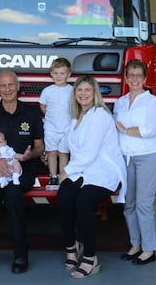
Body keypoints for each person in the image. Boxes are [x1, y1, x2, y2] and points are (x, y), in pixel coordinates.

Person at [57, 74, 126, 278]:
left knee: (83, 203)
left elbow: (90, 152)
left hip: (103, 170)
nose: (83, 94)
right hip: (83, 170)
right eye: (79, 90)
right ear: (74, 94)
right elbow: (67, 144)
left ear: (95, 93)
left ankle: (90, 257)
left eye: (88, 90)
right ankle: (71, 247)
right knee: (64, 199)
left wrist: (65, 171)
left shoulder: (100, 115)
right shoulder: (76, 117)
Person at [0, 70, 44, 274]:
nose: (7, 89)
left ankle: (20, 255)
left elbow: (40, 146)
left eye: (11, 85)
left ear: (18, 86)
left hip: (22, 168)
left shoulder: (32, 113)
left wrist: (29, 155)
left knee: (14, 196)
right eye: (3, 86)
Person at [113, 59, 156, 265]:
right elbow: (113, 131)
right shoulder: (120, 101)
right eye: (130, 75)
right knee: (128, 204)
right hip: (125, 157)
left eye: (138, 76)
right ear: (125, 78)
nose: (134, 79)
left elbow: (149, 131)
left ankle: (149, 249)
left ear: (144, 79)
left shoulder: (151, 101)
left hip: (147, 156)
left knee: (143, 204)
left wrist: (124, 129)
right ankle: (135, 244)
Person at [39, 58, 72, 186]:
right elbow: (42, 105)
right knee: (51, 153)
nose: (59, 76)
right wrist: (49, 117)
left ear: (68, 75)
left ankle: (62, 176)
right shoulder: (47, 91)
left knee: (64, 153)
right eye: (56, 73)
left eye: (62, 73)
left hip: (67, 127)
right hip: (51, 127)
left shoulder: (72, 90)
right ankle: (53, 176)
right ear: (51, 74)